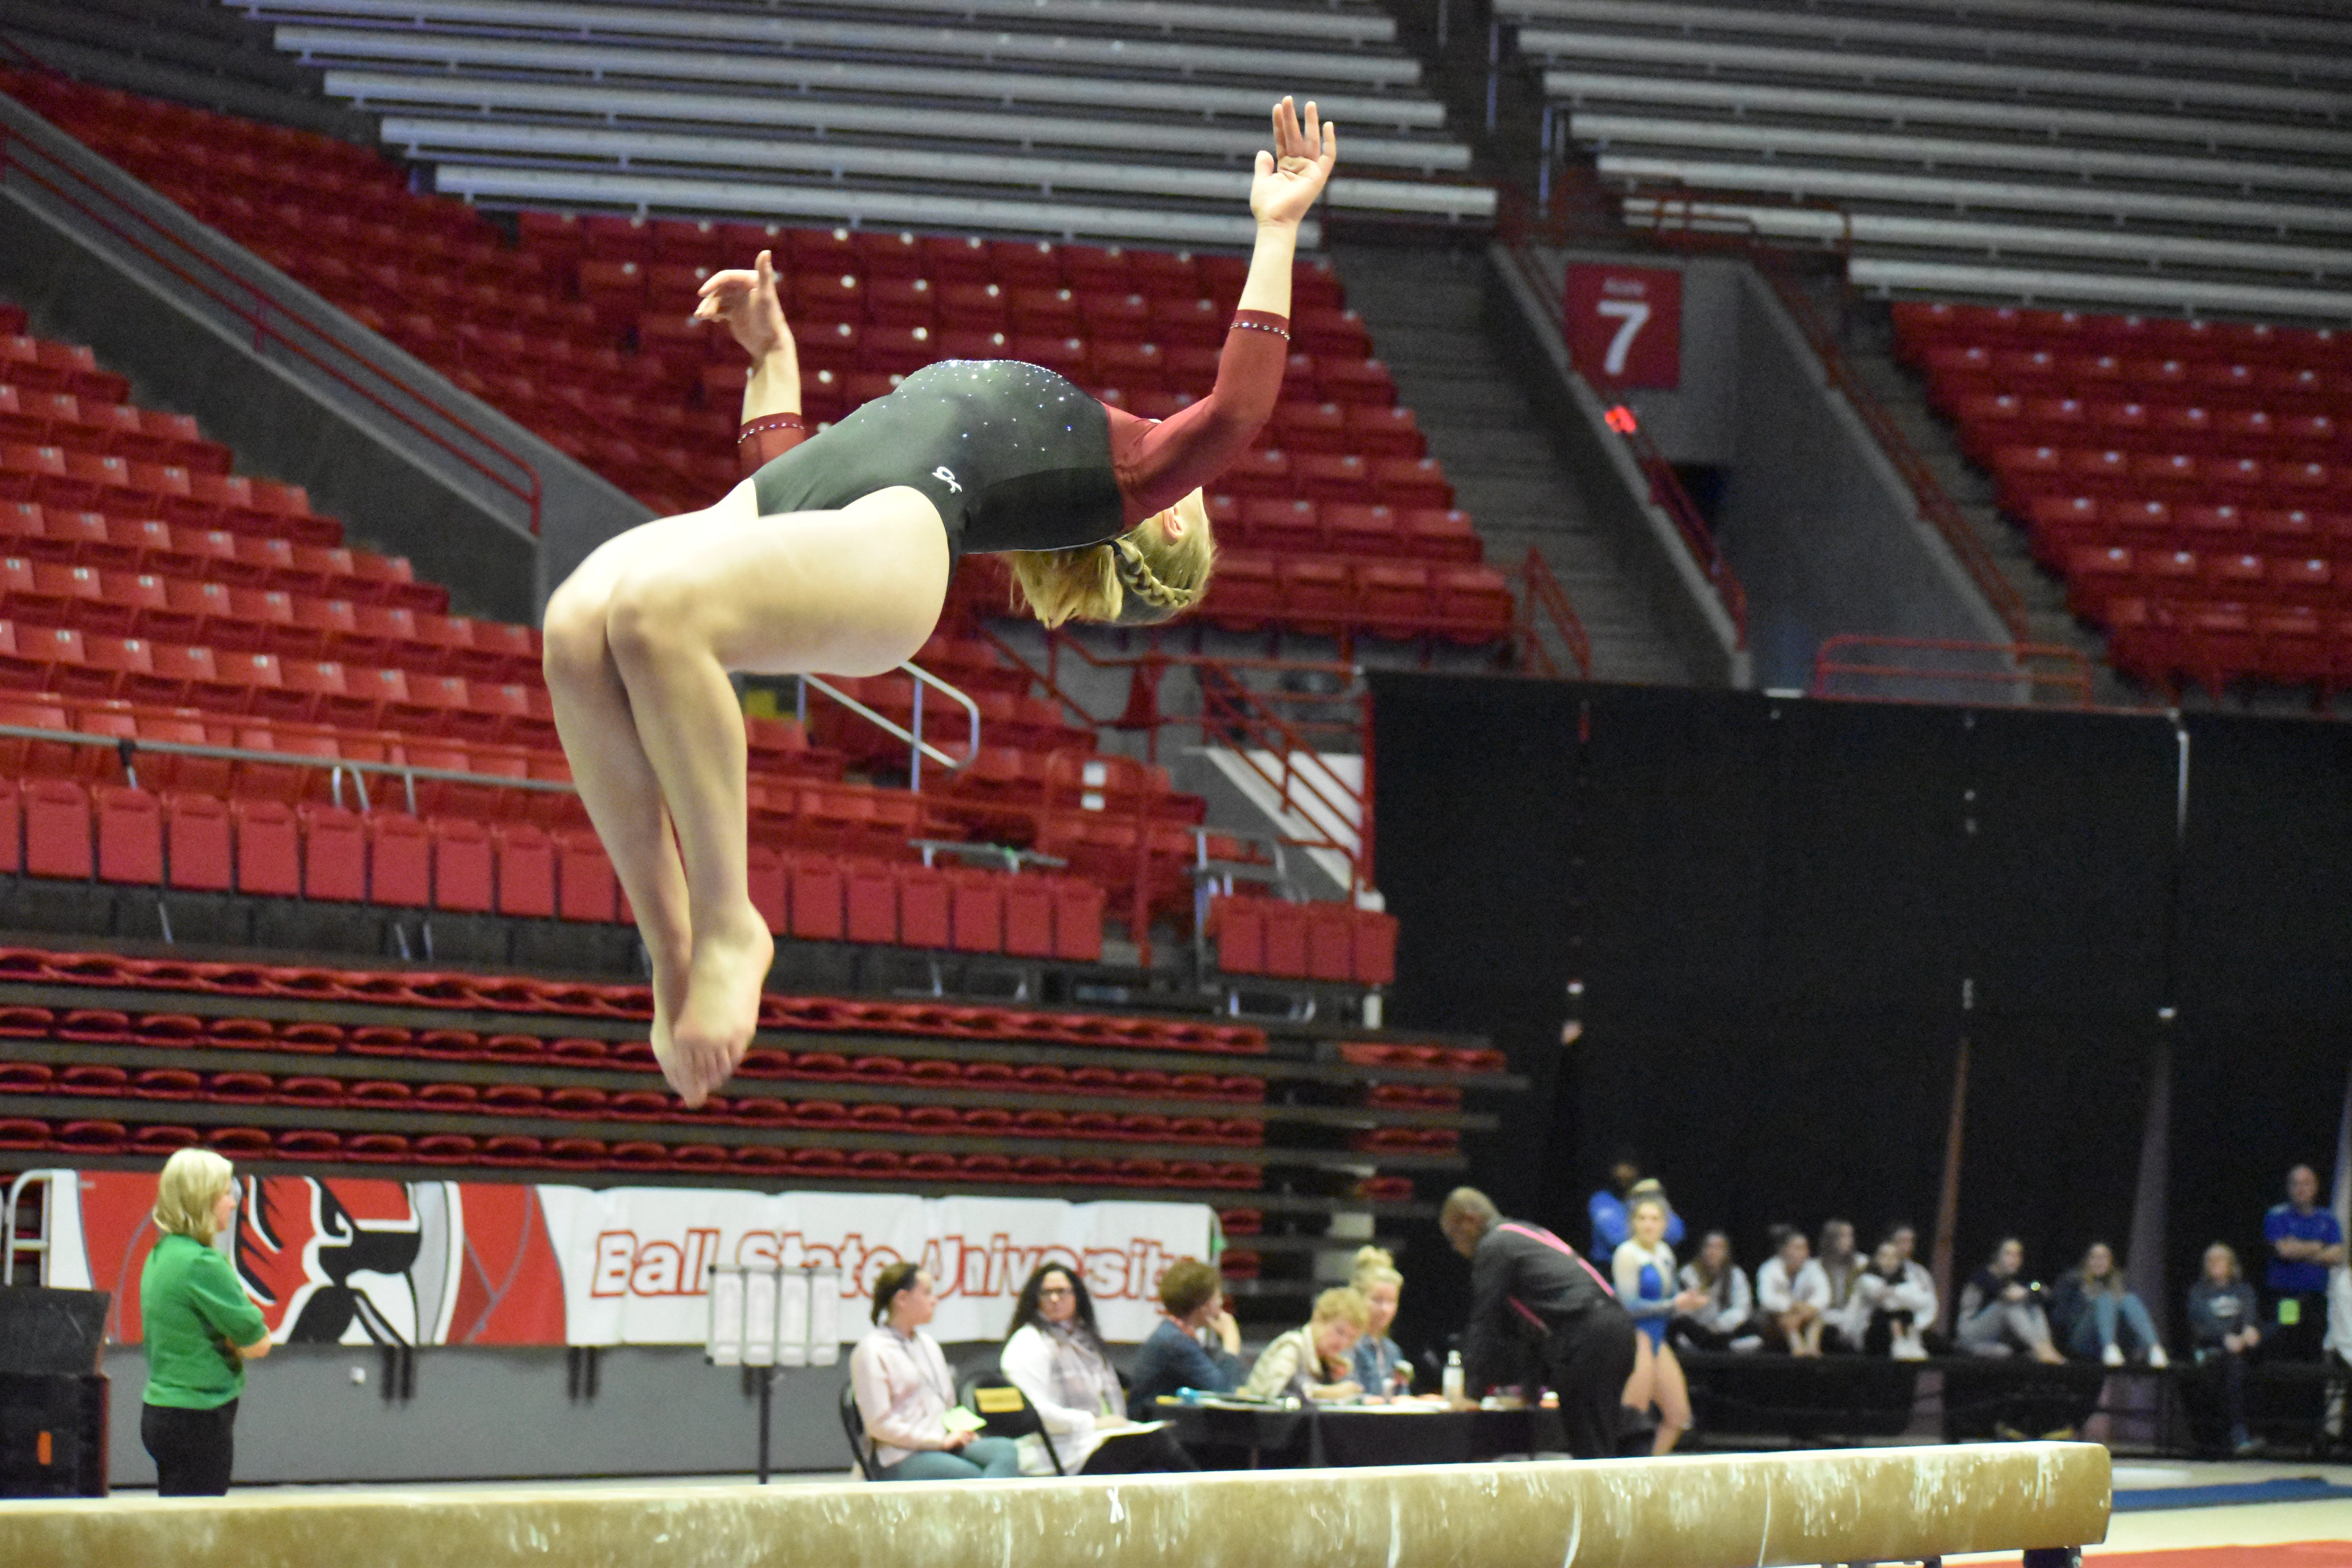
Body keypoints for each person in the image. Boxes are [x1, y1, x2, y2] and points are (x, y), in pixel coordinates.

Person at [539, 98, 1338, 1107]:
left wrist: (1277, 231)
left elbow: (1237, 412)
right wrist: (773, 359)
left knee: (654, 612)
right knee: (576, 625)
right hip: (794, 502)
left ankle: (732, 921)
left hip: (902, 533)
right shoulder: (1079, 440)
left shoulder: (1129, 473)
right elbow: (800, 481)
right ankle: (671, 953)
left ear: (1173, 522)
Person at [1441, 1186, 1636, 1460]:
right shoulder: (1523, 1234)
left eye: (1453, 1237)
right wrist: (1529, 1393)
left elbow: (1486, 1321)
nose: (1456, 1248)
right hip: (1616, 1327)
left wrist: (1471, 1394)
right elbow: (1534, 1328)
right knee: (1598, 1442)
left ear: (1469, 1220)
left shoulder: (1494, 1246)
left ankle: (1599, 1502)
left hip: (1589, 1333)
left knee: (1591, 1449)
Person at [139, 1149, 270, 1496]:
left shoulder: (161, 1254)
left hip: (161, 1412)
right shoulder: (202, 1265)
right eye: (225, 1194)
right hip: (197, 1420)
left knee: (176, 1528)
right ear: (203, 1199)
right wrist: (231, 1341)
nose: (232, 1203)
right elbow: (258, 1343)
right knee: (196, 1537)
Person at [998, 1262, 1194, 1474]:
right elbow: (1035, 1413)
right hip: (1055, 1452)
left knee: (1160, 1454)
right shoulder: (1028, 1342)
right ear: (1035, 1298)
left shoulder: (1086, 1342)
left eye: (1062, 1292)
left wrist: (1113, 1425)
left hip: (1093, 1441)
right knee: (1155, 1442)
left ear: (1077, 1297)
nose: (1055, 1299)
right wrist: (1092, 1423)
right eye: (1047, 1293)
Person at [849, 1262, 1021, 1481]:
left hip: (944, 1443)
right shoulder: (872, 1351)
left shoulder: (929, 1344)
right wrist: (935, 1442)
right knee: (969, 1474)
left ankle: (986, 1510)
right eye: (927, 1293)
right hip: (899, 1455)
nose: (935, 1300)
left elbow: (946, 1405)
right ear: (902, 1299)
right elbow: (879, 1425)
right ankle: (988, 1511)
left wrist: (963, 1432)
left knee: (1005, 1451)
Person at [1613, 1193, 1704, 1454]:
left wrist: (1689, 1302)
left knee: (1678, 1416)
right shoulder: (1627, 1254)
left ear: (1664, 1225)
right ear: (1633, 1223)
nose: (1648, 1225)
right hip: (1636, 1338)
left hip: (1657, 1339)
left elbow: (1673, 1297)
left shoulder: (1665, 1253)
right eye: (1642, 1219)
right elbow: (1628, 1306)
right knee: (1634, 1416)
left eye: (1654, 1219)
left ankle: (1649, 1471)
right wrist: (1675, 1305)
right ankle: (1622, 1474)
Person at [1125, 1258, 1245, 1418]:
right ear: (1204, 1304)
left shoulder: (1175, 1335)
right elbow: (1223, 1394)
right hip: (1150, 1435)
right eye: (1218, 1297)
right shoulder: (1176, 1343)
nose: (1221, 1303)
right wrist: (1231, 1341)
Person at [2185, 1241, 2262, 1455]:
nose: (2216, 1263)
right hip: (2211, 1349)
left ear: (2231, 1264)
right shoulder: (2199, 1292)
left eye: (2221, 1259)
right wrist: (2224, 1339)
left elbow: (2249, 1315)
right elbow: (2201, 1326)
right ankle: (2237, 1436)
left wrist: (2249, 1330)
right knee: (2231, 1365)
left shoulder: (2243, 1290)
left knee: (2241, 1359)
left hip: (2240, 1349)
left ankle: (2239, 1436)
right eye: (2211, 1260)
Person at [2263, 1165, 2346, 1360]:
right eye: (2296, 1184)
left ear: (2316, 1187)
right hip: (2288, 1297)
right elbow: (2284, 1251)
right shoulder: (2277, 1216)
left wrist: (2300, 1249)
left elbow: (2336, 1256)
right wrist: (2319, 1246)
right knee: (2287, 1341)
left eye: (2306, 1183)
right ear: (2288, 1187)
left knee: (2314, 1349)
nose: (2301, 1189)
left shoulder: (2328, 1219)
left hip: (2317, 1298)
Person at [2051, 1242, 2169, 1369]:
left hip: (2118, 1340)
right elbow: (2061, 1319)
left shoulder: (2121, 1281)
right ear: (2087, 1261)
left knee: (2129, 1299)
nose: (2099, 1262)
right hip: (2083, 1339)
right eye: (2094, 1257)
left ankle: (2154, 1348)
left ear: (2111, 1262)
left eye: (2103, 1257)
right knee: (2105, 1298)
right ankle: (2109, 1348)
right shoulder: (2073, 1281)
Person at [1241, 1287, 1367, 1402]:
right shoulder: (1292, 1346)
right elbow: (1276, 1393)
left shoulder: (1331, 1363)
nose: (1343, 1343)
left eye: (1351, 1338)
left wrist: (1334, 1380)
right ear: (1318, 1319)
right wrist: (1330, 1392)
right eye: (1340, 1332)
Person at [1956, 1238, 2066, 1364]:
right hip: (1970, 1336)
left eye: (2018, 1255)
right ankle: (2041, 1349)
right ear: (1997, 1256)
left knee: (2033, 1307)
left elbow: (2041, 1289)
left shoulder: (2012, 1278)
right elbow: (2010, 1296)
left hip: (1994, 1341)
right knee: (2008, 1305)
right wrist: (2029, 1291)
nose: (2014, 1259)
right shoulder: (1983, 1276)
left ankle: (2046, 1346)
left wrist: (2031, 1290)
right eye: (2008, 1254)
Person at [1674, 1230, 1762, 1353]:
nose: (1713, 1252)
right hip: (1697, 1330)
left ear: (1727, 1253)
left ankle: (1722, 1347)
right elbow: (1681, 1310)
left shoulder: (1735, 1274)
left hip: (1724, 1330)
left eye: (1719, 1248)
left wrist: (1718, 1325)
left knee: (1754, 1334)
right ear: (1702, 1250)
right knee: (1681, 1331)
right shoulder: (1688, 1273)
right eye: (1709, 1246)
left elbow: (1742, 1308)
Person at [1848, 1236, 1935, 1359]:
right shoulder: (1866, 1280)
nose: (1889, 1261)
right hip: (1869, 1334)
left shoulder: (1906, 1281)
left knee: (1906, 1313)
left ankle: (1911, 1344)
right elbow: (1886, 1303)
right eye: (1884, 1256)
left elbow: (1923, 1301)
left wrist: (1894, 1292)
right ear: (1875, 1259)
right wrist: (1902, 1295)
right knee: (1891, 1314)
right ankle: (1898, 1343)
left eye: (1894, 1257)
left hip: (1899, 1328)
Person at [1755, 1225, 1830, 1356]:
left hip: (1805, 1316)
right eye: (1798, 1248)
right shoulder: (1769, 1269)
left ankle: (1812, 1349)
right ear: (1784, 1250)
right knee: (1786, 1319)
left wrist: (1804, 1311)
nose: (1803, 1253)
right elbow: (1766, 1300)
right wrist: (1792, 1307)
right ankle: (1798, 1349)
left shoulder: (1813, 1268)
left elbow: (1824, 1296)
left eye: (1805, 1248)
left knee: (1818, 1318)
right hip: (1775, 1321)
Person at [1349, 1245, 1410, 1396]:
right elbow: (1349, 1397)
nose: (1384, 1310)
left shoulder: (1392, 1351)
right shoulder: (1347, 1345)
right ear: (1358, 1298)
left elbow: (1401, 1398)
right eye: (1377, 1300)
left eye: (1391, 1302)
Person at [1589, 1164, 1682, 1258]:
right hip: (1608, 1267)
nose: (1624, 1173)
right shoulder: (1602, 1199)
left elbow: (1677, 1233)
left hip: (1652, 1261)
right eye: (1621, 1166)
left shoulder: (1646, 1195)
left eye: (1630, 1167)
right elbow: (1617, 1239)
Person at [1884, 1223, 1944, 1352]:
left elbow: (1930, 1303)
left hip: (1915, 1328)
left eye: (1910, 1242)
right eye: (1901, 1241)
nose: (1906, 1247)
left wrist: (1918, 1326)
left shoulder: (1919, 1272)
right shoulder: (1879, 1269)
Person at [1814, 1219, 1866, 1352]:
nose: (1849, 1241)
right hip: (1825, 1318)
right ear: (1831, 1239)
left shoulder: (1862, 1264)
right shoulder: (1815, 1266)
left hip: (1853, 1318)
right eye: (1844, 1236)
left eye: (1851, 1236)